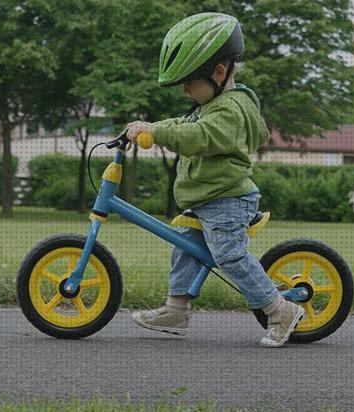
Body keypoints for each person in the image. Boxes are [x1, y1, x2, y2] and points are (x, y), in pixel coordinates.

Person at [126, 12, 304, 348]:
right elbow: (184, 123)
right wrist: (147, 126)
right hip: (208, 200)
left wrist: (156, 132)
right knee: (183, 245)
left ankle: (280, 310)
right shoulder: (212, 104)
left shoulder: (227, 111)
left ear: (218, 73)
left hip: (228, 200)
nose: (186, 92)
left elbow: (198, 136)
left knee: (229, 255)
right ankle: (176, 311)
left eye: (189, 84)